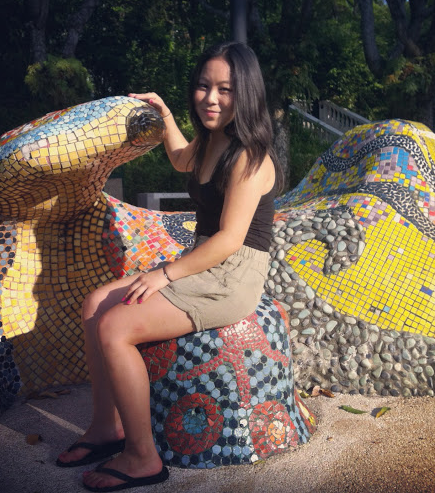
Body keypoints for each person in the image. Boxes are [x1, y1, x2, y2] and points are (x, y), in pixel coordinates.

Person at [56, 41, 284, 492]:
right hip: (205, 261)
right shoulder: (213, 138)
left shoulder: (249, 156)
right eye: (203, 86)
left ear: (247, 93)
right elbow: (181, 158)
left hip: (232, 274)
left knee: (116, 327)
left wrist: (164, 274)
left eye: (225, 89)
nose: (211, 99)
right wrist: (164, 115)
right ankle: (106, 427)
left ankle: (142, 457)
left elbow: (229, 240)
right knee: (95, 304)